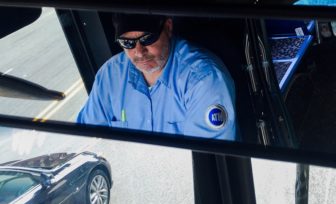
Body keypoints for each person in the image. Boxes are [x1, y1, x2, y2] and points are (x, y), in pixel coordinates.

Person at [77, 14, 236, 140]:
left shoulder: (203, 79)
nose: (139, 52)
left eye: (147, 39)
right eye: (127, 43)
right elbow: (86, 135)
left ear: (168, 27)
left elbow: (208, 161)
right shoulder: (110, 75)